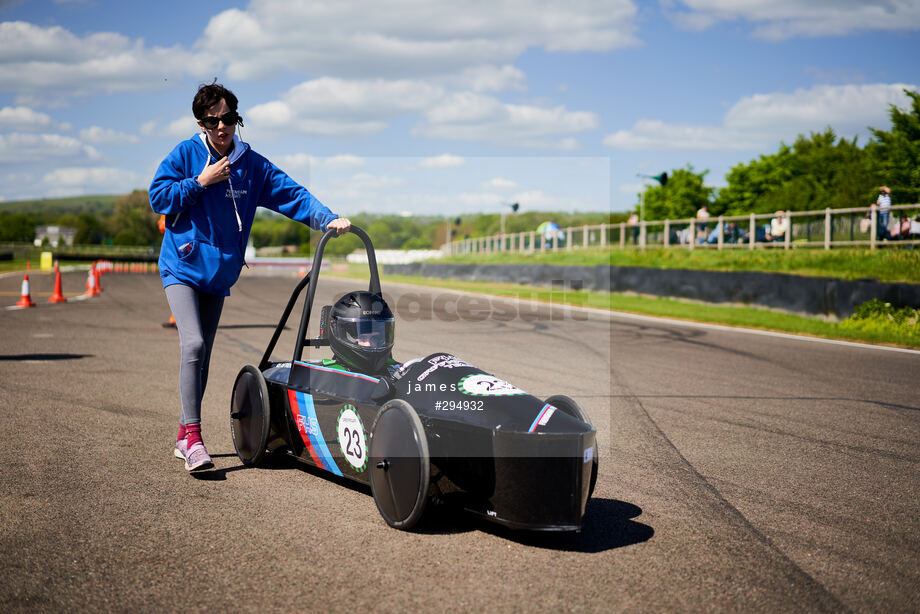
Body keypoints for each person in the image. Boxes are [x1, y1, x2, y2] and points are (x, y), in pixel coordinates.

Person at [149, 81, 351, 472]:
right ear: (201, 122)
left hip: (219, 274)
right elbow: (159, 196)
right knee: (192, 346)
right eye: (213, 121)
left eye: (228, 119)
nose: (221, 127)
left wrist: (327, 218)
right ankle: (193, 437)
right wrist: (200, 182)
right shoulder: (187, 153)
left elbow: (291, 194)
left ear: (236, 120)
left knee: (203, 355)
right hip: (182, 267)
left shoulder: (251, 164)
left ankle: (182, 434)